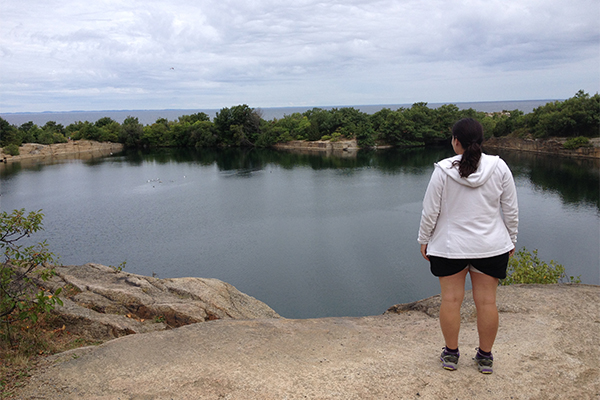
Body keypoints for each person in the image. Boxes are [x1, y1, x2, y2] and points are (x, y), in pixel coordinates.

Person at [417, 118, 518, 374]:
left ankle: (451, 355)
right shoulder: (500, 167)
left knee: (450, 301)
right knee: (487, 303)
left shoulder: (443, 170)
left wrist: (424, 239)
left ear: (456, 141)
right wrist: (512, 239)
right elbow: (511, 209)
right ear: (481, 141)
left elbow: (430, 211)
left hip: (450, 247)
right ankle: (485, 358)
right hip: (491, 246)